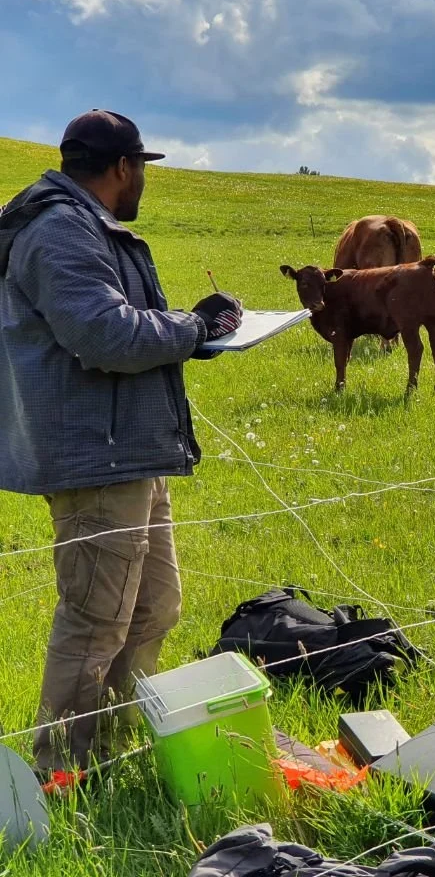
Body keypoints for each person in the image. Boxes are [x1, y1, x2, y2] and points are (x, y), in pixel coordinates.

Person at [0, 110, 243, 774]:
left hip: (127, 448)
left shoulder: (80, 225)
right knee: (95, 619)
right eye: (142, 169)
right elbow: (105, 334)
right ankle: (63, 773)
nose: (143, 183)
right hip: (94, 457)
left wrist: (189, 335)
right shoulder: (58, 231)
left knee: (153, 606)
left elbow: (122, 328)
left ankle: (111, 744)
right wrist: (191, 328)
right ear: (121, 168)